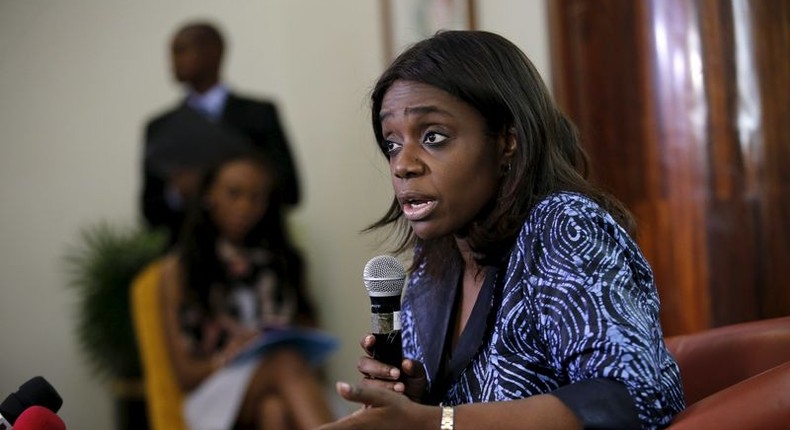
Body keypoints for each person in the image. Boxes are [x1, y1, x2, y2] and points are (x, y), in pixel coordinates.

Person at [318, 31, 685, 430]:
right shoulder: (432, 267)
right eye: (392, 143)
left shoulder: (563, 229)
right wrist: (418, 401)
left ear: (507, 141)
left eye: (433, 137)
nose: (403, 164)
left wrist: (435, 422)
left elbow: (631, 396)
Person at [159, 151, 333, 430]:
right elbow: (184, 375)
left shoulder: (284, 261)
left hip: (281, 387)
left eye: (256, 197)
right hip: (214, 392)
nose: (244, 206)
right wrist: (234, 354)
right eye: (233, 193)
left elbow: (313, 347)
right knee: (285, 362)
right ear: (208, 195)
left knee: (274, 410)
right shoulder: (180, 270)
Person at [141, 21, 300, 244]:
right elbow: (149, 213)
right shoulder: (159, 127)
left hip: (257, 249)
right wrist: (177, 193)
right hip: (191, 255)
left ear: (213, 51)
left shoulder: (259, 114)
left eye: (181, 50)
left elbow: (292, 191)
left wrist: (241, 186)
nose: (172, 62)